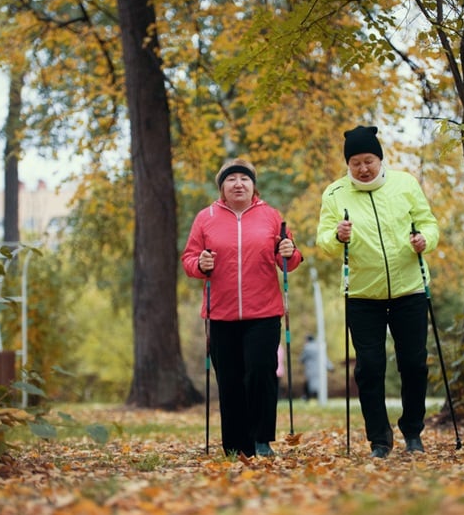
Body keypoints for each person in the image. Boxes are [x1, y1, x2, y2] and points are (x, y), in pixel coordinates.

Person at [316, 125, 440, 458]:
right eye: (355, 162)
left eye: (369, 160)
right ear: (348, 164)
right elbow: (323, 240)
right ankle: (379, 440)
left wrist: (425, 240)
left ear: (380, 159)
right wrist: (337, 236)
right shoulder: (334, 193)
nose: (363, 168)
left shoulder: (405, 184)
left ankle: (413, 431)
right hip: (362, 295)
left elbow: (428, 223)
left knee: (413, 364)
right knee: (369, 369)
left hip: (409, 290)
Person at [182, 158, 302, 458]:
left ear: (253, 185)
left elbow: (289, 259)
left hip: (264, 311)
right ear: (222, 187)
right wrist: (200, 264)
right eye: (231, 179)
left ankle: (262, 440)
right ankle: (236, 446)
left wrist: (289, 252)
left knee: (261, 373)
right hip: (220, 313)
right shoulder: (205, 217)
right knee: (231, 380)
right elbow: (189, 259)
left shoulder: (271, 216)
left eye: (244, 179)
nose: (238, 184)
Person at [299, 334, 333, 400]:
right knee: (319, 385)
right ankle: (318, 398)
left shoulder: (307, 348)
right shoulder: (319, 347)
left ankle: (307, 398)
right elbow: (325, 358)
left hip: (310, 369)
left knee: (310, 384)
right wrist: (330, 366)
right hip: (320, 369)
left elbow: (301, 359)